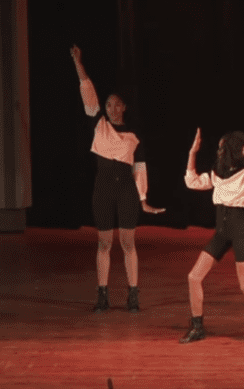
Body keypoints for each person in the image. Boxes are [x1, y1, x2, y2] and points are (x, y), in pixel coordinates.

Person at [70, 45, 164, 313]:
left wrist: (143, 198)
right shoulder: (99, 126)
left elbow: (140, 169)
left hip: (126, 191)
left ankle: (133, 294)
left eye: (115, 104)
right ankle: (102, 295)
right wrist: (79, 63)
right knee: (104, 243)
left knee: (127, 243)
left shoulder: (134, 136)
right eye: (108, 104)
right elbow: (87, 90)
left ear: (124, 107)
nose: (111, 108)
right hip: (102, 190)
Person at [180, 129, 244, 343]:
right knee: (193, 277)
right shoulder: (217, 173)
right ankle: (197, 326)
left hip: (240, 229)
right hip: (222, 231)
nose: (219, 152)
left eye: (223, 148)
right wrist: (192, 153)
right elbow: (191, 182)